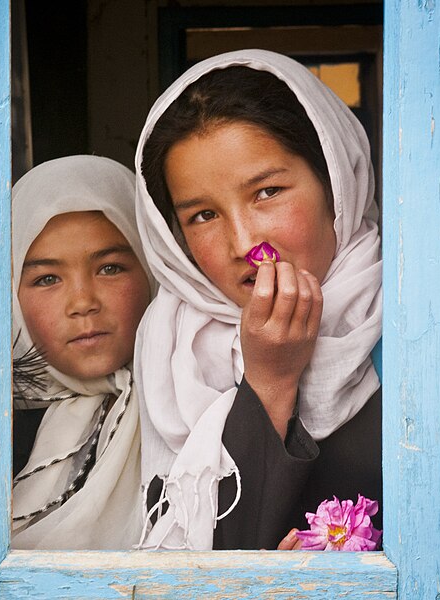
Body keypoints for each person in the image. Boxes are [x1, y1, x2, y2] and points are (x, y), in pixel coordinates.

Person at [133, 49, 382, 550]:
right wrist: (270, 379)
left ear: (336, 180)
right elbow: (203, 566)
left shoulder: (426, 319)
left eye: (267, 192)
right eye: (202, 215)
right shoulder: (171, 354)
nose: (244, 241)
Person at [10, 155, 155, 549]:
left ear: (153, 267)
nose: (83, 302)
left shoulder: (192, 401)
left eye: (109, 268)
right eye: (47, 278)